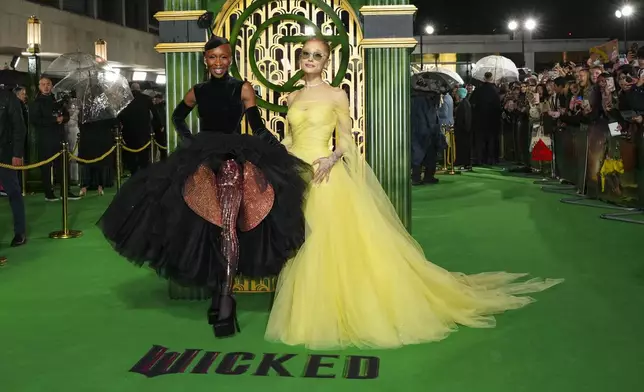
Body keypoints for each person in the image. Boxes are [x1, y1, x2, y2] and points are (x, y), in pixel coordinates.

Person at [264, 37, 564, 350]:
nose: (311, 59)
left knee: (326, 243)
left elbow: (344, 141)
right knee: (301, 241)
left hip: (325, 175)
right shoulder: (293, 96)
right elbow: (289, 138)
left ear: (327, 61)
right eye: (306, 54)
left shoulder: (337, 95)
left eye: (318, 55)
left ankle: (336, 309)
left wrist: (330, 158)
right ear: (299, 59)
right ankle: (315, 302)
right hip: (294, 177)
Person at [97, 35, 310, 338]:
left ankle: (225, 295)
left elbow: (258, 126)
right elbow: (177, 116)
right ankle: (218, 291)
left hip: (233, 161)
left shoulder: (243, 89)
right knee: (203, 226)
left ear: (231, 59)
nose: (218, 63)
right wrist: (188, 139)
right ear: (205, 61)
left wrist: (278, 152)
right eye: (213, 58)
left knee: (227, 226)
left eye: (224, 57)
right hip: (200, 161)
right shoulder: (197, 91)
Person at [0, 85, 27, 249]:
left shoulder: (9, 98)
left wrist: (17, 154)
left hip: (6, 152)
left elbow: (19, 127)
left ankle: (20, 232)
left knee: (13, 192)